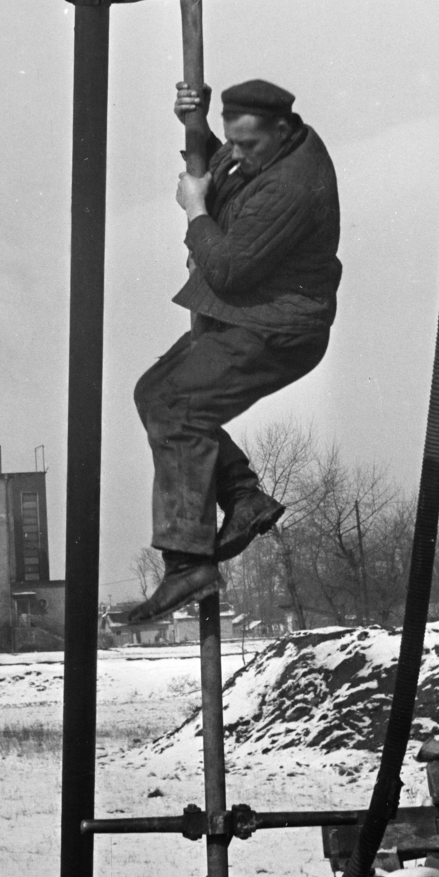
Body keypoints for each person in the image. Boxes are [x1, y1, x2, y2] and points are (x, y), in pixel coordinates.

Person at [129, 78, 341, 623]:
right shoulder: (266, 150)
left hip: (278, 330)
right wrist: (193, 125)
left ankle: (188, 564)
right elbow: (221, 161)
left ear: (282, 129)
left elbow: (226, 268)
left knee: (179, 408)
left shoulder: (293, 185)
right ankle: (244, 498)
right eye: (232, 142)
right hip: (247, 314)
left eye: (249, 145)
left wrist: (196, 210)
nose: (237, 154)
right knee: (155, 393)